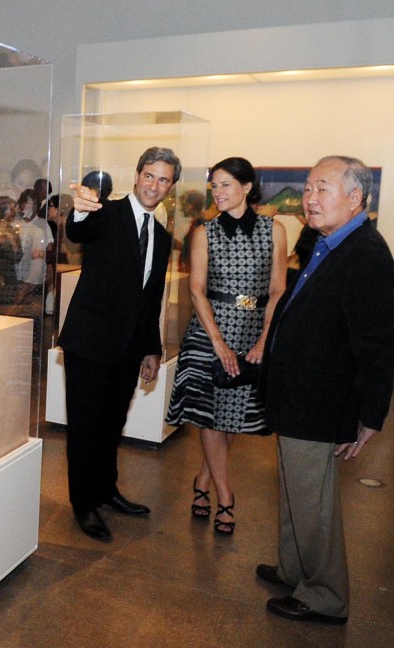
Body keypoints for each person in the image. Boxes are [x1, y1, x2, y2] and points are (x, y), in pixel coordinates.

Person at [257, 155, 394, 625]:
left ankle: (325, 595)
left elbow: (376, 346)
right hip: (297, 393)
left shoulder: (368, 256)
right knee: (295, 490)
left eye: (322, 189)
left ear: (355, 199)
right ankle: (295, 568)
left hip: (320, 400)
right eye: (308, 188)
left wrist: (372, 416)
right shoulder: (325, 242)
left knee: (313, 501)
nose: (309, 199)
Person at [58, 147, 177, 542]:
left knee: (112, 425)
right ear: (137, 175)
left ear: (171, 186)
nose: (154, 185)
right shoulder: (104, 213)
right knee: (85, 426)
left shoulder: (161, 236)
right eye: (149, 175)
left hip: (129, 347)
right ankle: (84, 503)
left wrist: (152, 348)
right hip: (89, 343)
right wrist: (79, 208)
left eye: (163, 179)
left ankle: (106, 491)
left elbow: (151, 298)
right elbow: (79, 232)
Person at [165, 157, 287, 535]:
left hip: (253, 331)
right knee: (213, 414)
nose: (217, 193)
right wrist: (218, 343)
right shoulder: (205, 232)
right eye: (213, 186)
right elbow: (196, 290)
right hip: (209, 330)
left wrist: (265, 339)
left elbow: (278, 289)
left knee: (234, 413)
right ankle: (225, 496)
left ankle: (202, 480)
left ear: (247, 187)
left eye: (225, 185)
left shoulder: (275, 230)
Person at [13, 189, 52, 349]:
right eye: (26, 202)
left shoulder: (42, 223)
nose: (29, 206)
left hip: (35, 275)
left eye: (33, 203)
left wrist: (42, 253)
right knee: (17, 312)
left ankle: (34, 345)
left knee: (33, 312)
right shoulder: (16, 223)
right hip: (16, 273)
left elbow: (50, 246)